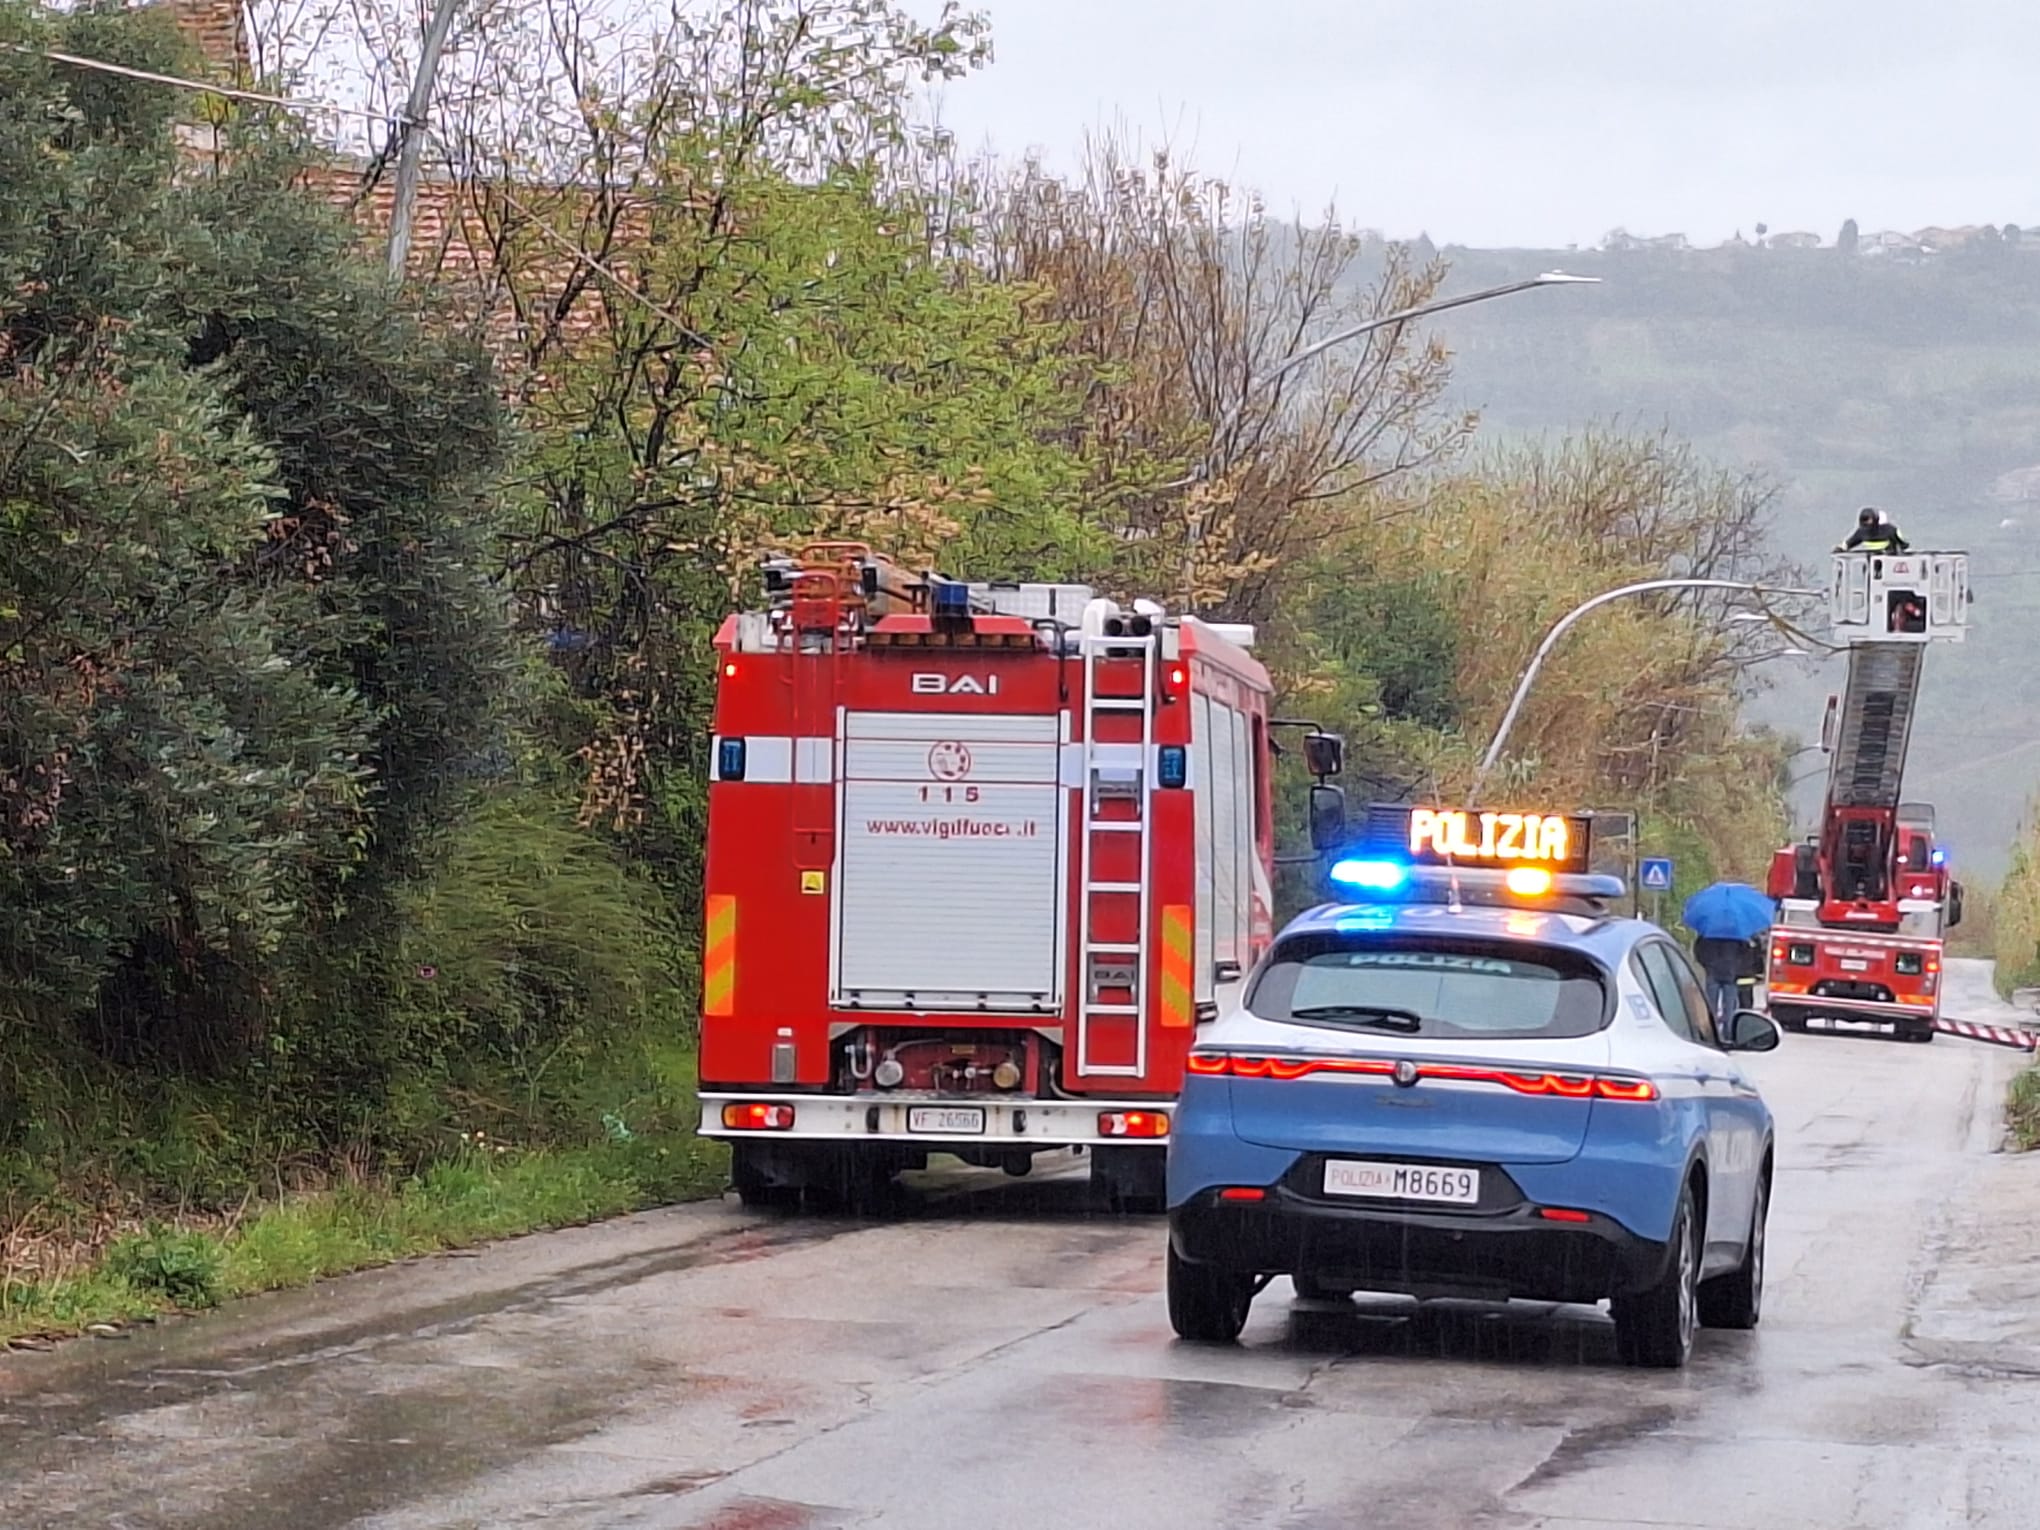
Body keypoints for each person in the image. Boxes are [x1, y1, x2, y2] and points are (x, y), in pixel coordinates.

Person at [1693, 935, 1747, 1028]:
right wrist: (1737, 967)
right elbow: (1745, 953)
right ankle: (1728, 1034)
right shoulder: (1737, 935)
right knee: (1729, 1009)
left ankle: (1712, 1030)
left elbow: (1698, 950)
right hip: (1731, 974)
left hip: (1712, 973)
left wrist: (1706, 965)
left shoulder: (1707, 934)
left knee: (1711, 1007)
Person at [1837, 507, 1909, 553]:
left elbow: (1903, 544)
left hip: (1891, 564)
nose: (1867, 523)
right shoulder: (1861, 532)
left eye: (1868, 520)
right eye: (1865, 520)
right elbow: (1848, 543)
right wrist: (1840, 548)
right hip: (1871, 567)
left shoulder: (1890, 530)